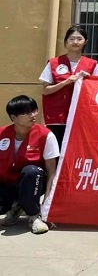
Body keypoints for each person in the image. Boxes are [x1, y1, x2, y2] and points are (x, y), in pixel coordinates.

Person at [0, 95, 58, 234]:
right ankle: (15, 207)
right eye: (26, 113)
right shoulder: (2, 134)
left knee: (31, 171)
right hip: (7, 184)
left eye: (34, 110)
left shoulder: (46, 135)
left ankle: (34, 215)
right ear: (14, 118)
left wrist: (47, 204)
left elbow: (52, 172)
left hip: (33, 183)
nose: (33, 115)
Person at [39, 25, 98, 149]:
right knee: (57, 150)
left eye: (79, 39)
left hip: (81, 116)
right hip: (58, 117)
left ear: (85, 41)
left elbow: (97, 92)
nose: (75, 42)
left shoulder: (92, 64)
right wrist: (65, 82)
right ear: (66, 41)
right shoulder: (54, 63)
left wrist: (88, 81)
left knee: (77, 150)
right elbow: (45, 90)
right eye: (71, 39)